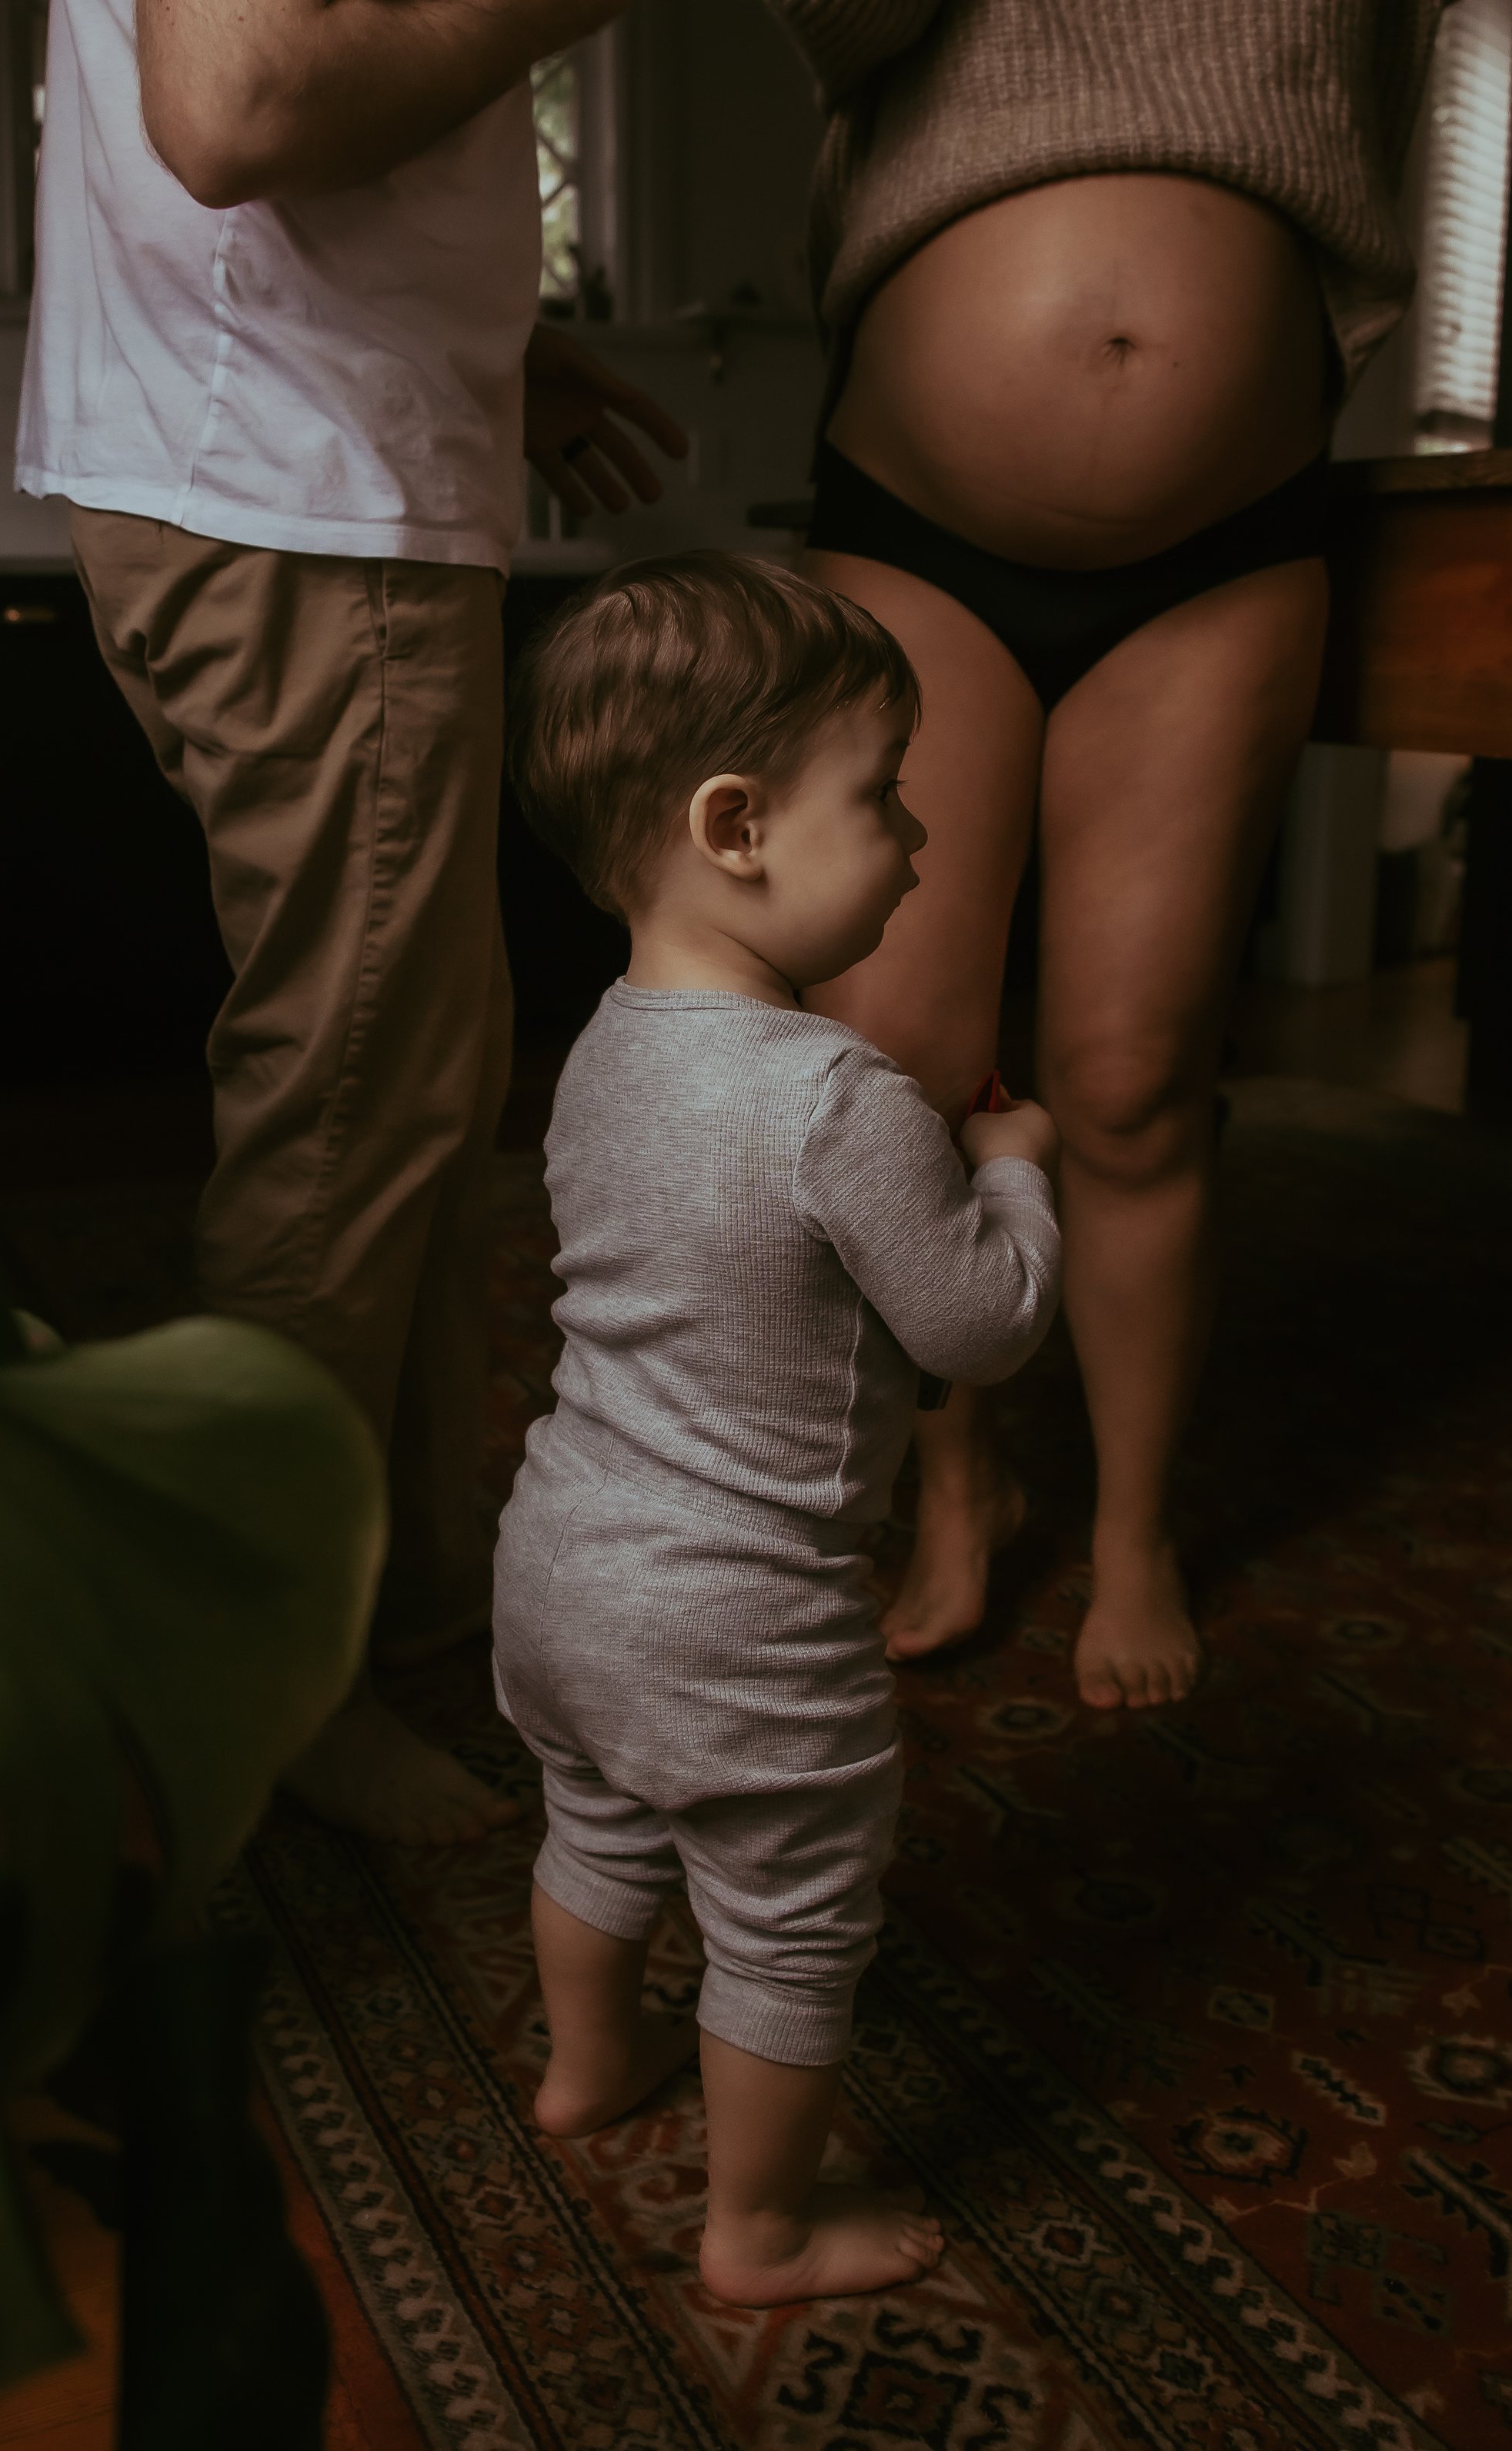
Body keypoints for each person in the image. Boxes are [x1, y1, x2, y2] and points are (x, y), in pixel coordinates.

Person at [16, 0, 686, 1843]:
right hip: (297, 489)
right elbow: (237, 104)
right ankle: (259, 1670)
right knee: (351, 1099)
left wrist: (487, 337)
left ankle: (405, 1601)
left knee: (413, 1080)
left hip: (297, 465)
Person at [766, 1, 1447, 1708]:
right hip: (915, 516)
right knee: (896, 1077)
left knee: (1134, 1079)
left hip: (1225, 537)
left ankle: (1136, 1529)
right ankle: (957, 1479)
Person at [494, 553, 1061, 2302]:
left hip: (562, 1561)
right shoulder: (839, 1098)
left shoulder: (600, 1048)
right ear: (733, 826)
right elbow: (980, 1324)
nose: (917, 838)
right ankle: (759, 2229)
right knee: (792, 1917)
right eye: (881, 794)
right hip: (738, 1617)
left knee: (595, 1825)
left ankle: (587, 2069)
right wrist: (1011, 1174)